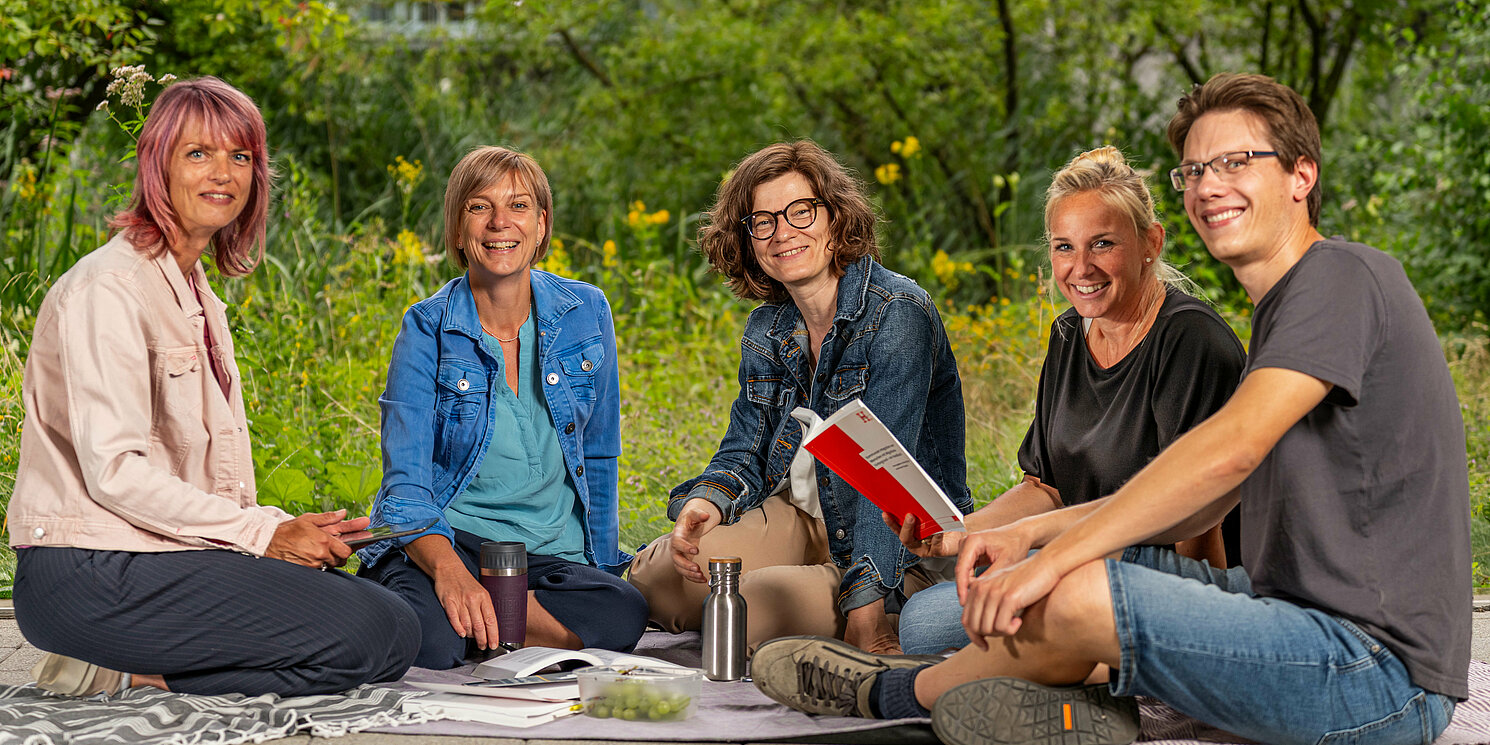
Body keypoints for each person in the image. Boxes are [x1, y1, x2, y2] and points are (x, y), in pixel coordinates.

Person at [752, 72, 1468, 745]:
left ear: (1301, 174)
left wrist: (1053, 556)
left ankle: (905, 697)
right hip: (1283, 616)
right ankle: (919, 697)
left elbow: (1228, 453)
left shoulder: (1341, 275)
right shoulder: (1279, 314)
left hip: (1377, 671)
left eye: (1237, 161)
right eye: (1194, 170)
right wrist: (1019, 537)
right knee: (1037, 592)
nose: (1209, 185)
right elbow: (1198, 503)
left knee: (1069, 589)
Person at [8, 76, 419, 697]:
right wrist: (264, 535)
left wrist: (281, 526)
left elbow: (198, 490)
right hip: (86, 574)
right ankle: (125, 671)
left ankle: (141, 673)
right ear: (157, 167)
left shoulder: (198, 297)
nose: (221, 172)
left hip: (155, 558)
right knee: (366, 628)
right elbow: (115, 472)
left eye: (240, 156)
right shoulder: (108, 290)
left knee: (392, 624)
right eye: (197, 153)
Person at [893, 145, 1246, 655]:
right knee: (921, 624)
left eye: (1102, 244)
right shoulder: (1068, 335)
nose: (1080, 268)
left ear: (1151, 242)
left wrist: (1199, 644)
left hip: (1165, 570)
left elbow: (1198, 524)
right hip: (1083, 550)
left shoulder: (1191, 341)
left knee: (967, 622)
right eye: (1064, 247)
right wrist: (957, 535)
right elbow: (1047, 487)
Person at [626, 140, 973, 654]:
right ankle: (809, 584)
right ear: (748, 239)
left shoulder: (898, 313)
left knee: (752, 610)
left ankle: (897, 610)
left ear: (836, 219)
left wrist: (866, 613)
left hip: (898, 540)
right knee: (660, 579)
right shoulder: (769, 326)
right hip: (804, 516)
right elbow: (747, 444)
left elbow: (886, 485)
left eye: (800, 212)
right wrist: (709, 500)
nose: (782, 232)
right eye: (763, 221)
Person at [356, 146, 647, 669]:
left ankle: (484, 624)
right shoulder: (427, 328)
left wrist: (602, 571)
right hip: (453, 540)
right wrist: (450, 574)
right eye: (478, 207)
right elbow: (405, 486)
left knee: (623, 612)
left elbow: (600, 457)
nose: (499, 224)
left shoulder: (587, 311)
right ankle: (487, 623)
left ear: (541, 224)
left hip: (547, 556)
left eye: (518, 206)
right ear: (458, 225)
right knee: (428, 642)